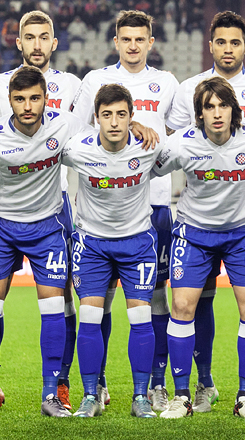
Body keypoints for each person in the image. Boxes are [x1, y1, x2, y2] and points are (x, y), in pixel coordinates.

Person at [0, 10, 83, 410]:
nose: (36, 44)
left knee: (59, 302)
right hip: (0, 221)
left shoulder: (70, 101)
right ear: (19, 42)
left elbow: (97, 141)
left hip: (51, 216)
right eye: (29, 37)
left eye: (43, 36)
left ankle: (56, 388)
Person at [152, 76, 245, 419]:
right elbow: (147, 169)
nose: (217, 113)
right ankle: (182, 396)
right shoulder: (182, 144)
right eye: (209, 107)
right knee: (182, 307)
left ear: (235, 110)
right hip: (193, 233)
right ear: (199, 115)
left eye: (223, 105)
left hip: (243, 233)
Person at [70, 10, 178, 411]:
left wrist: (153, 134)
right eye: (125, 39)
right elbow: (73, 136)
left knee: (157, 303)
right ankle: (94, 387)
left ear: (151, 42)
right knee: (99, 307)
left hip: (153, 205)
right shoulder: (93, 81)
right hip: (99, 212)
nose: (133, 45)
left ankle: (153, 386)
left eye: (140, 39)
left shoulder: (166, 83)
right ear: (116, 41)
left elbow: (181, 136)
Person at [61, 84, 162, 419]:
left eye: (122, 115)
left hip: (137, 244)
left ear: (132, 117)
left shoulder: (149, 147)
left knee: (140, 317)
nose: (115, 122)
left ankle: (141, 397)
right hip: (92, 245)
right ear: (96, 119)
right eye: (107, 115)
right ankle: (91, 395)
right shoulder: (77, 149)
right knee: (90, 316)